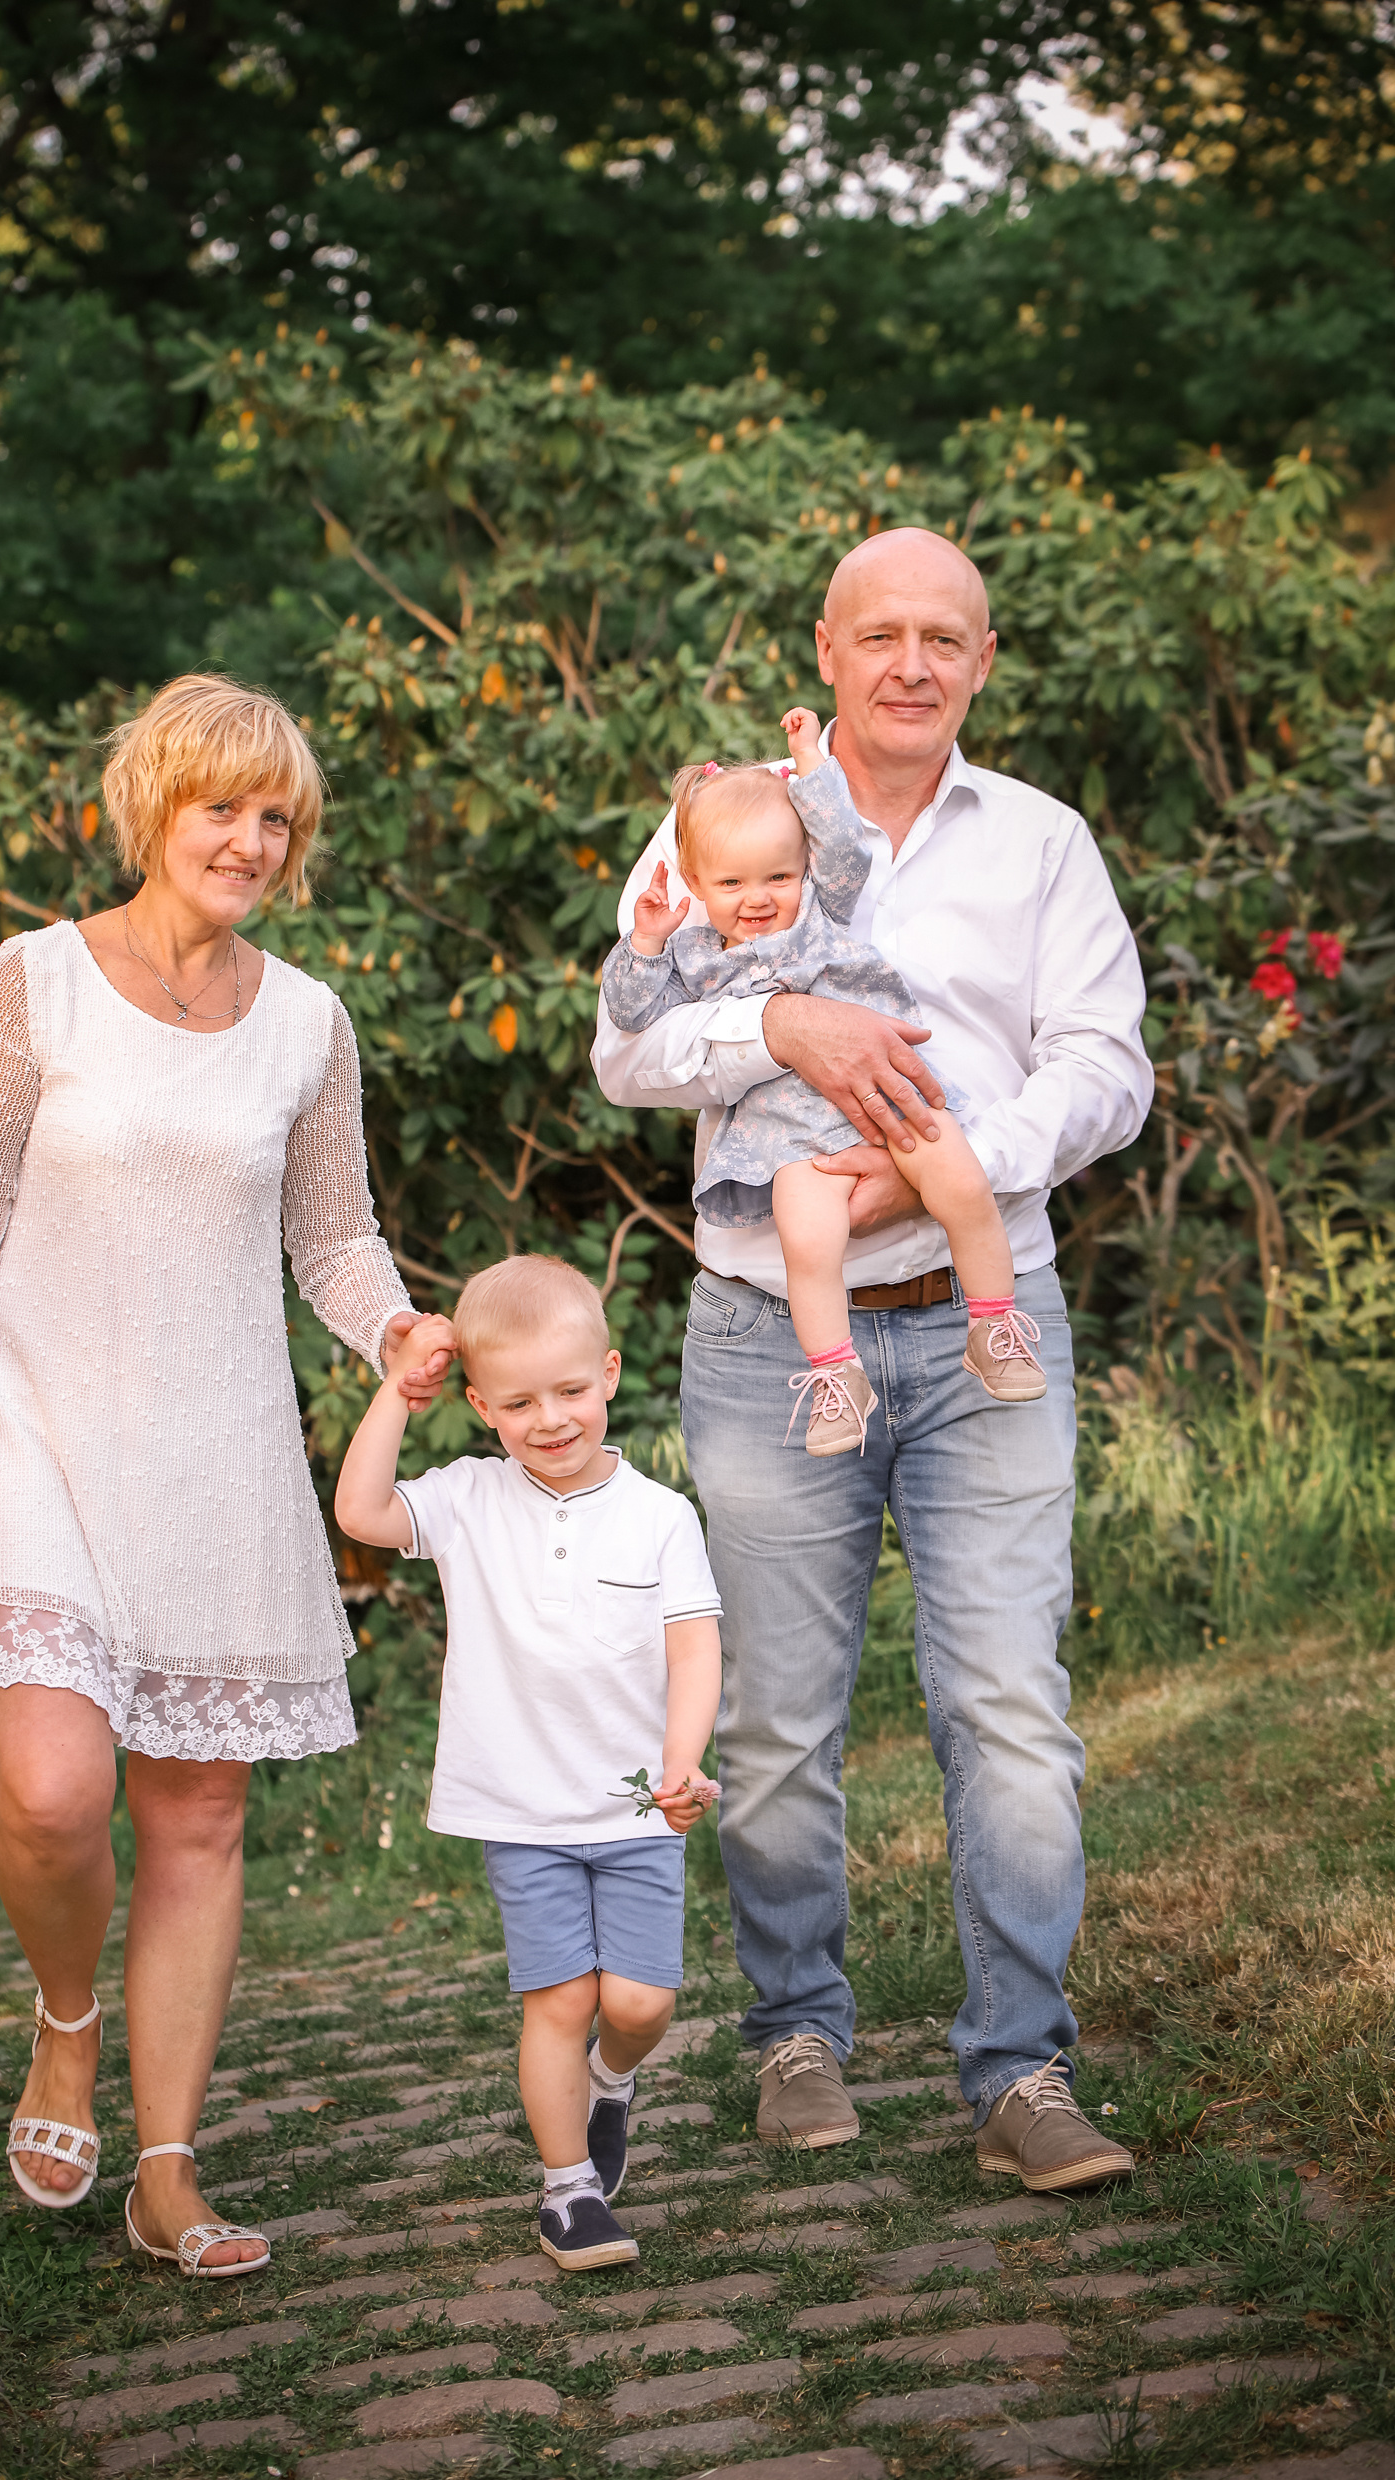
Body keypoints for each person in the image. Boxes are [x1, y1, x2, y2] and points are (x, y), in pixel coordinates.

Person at [0, 673, 448, 2277]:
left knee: (197, 1817)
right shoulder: (33, 979)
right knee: (49, 1790)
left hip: (219, 1451)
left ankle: (167, 2166)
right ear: (153, 808)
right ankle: (63, 2021)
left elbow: (332, 1235)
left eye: (275, 819)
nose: (248, 840)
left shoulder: (309, 1020)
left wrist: (395, 1335)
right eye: (220, 807)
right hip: (35, 1433)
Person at [591, 529, 1153, 2192]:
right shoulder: (724, 824)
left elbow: (1104, 1063)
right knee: (772, 1721)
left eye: (944, 638)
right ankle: (792, 2035)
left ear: (981, 662)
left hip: (989, 1325)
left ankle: (1018, 2073)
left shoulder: (1041, 844)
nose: (910, 662)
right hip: (771, 1330)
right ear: (825, 652)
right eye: (879, 634)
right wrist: (773, 1025)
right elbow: (625, 1041)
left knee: (1005, 1705)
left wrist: (954, 1153)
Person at [334, 1255, 723, 2269]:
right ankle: (568, 2189)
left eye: (569, 1390)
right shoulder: (467, 1499)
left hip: (639, 1805)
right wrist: (394, 1388)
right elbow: (362, 1511)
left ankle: (613, 2077)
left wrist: (683, 1761)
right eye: (517, 1400)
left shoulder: (660, 1515)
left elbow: (694, 1649)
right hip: (523, 1809)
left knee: (639, 2005)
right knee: (556, 1998)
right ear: (479, 1405)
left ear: (609, 1373)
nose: (549, 1417)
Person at [602, 705, 1044, 1458]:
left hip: (894, 1099)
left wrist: (808, 760)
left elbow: (842, 844)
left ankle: (993, 1322)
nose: (758, 896)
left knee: (964, 1184)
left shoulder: (821, 910)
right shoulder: (694, 954)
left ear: (801, 870)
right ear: (697, 885)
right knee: (807, 1244)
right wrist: (644, 940)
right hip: (788, 1137)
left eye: (777, 874)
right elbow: (633, 1015)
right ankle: (835, 1377)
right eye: (733, 881)